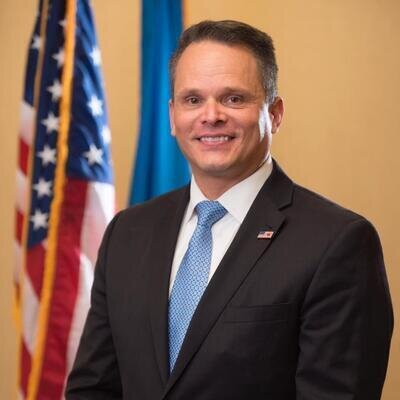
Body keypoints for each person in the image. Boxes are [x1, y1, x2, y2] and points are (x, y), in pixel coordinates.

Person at [66, 20, 393, 399]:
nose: (211, 115)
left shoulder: (337, 243)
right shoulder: (127, 232)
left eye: (234, 98)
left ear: (274, 113)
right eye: (192, 100)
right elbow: (93, 389)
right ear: (172, 116)